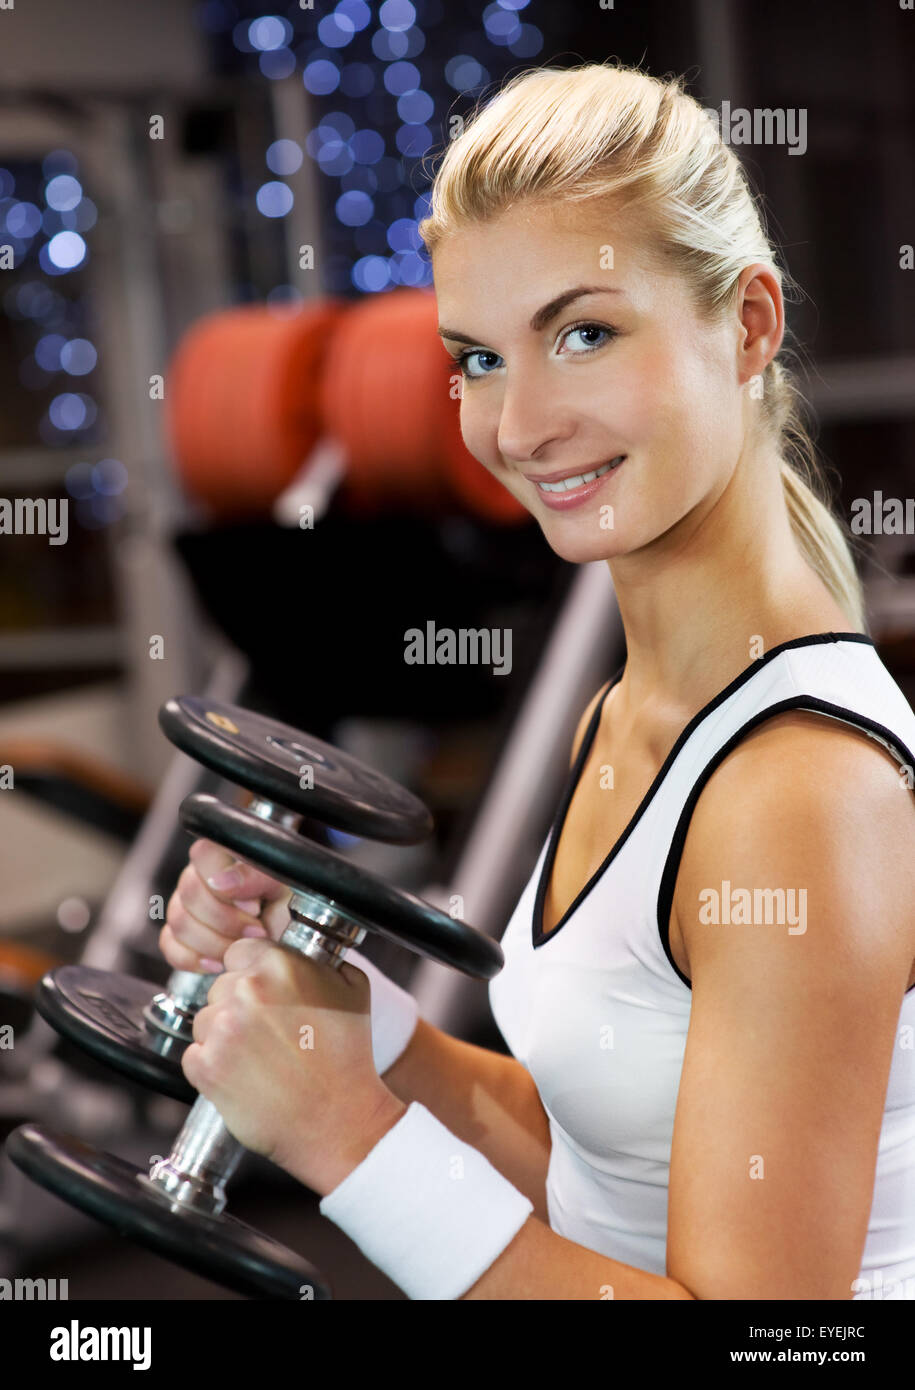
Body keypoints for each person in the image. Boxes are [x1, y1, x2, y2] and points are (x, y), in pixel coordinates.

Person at [160, 61, 915, 1300]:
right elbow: (604, 1160)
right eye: (477, 358)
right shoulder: (626, 717)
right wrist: (346, 1020)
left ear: (750, 326)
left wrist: (348, 1143)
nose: (516, 427)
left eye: (584, 334)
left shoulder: (799, 794)